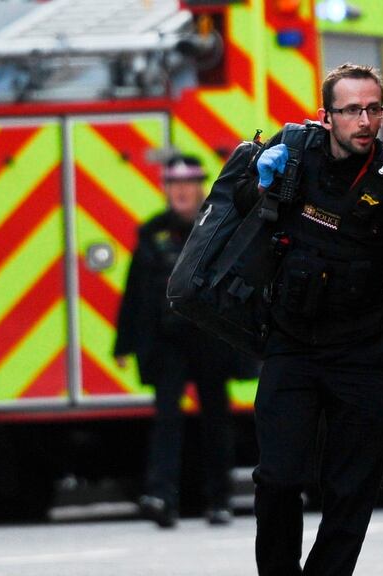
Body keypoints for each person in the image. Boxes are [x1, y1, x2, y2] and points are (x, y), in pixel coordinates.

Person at [235, 63, 383, 576]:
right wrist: (253, 179)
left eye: (374, 109)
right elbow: (232, 214)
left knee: (350, 495)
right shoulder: (294, 155)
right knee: (277, 480)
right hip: (293, 346)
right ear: (327, 117)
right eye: (351, 110)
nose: (365, 120)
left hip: (361, 353)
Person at [114, 155, 238, 528]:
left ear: (201, 188)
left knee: (216, 419)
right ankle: (161, 496)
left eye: (188, 184)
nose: (181, 192)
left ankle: (219, 500)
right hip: (169, 342)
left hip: (210, 340)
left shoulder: (218, 227)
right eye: (174, 185)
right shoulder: (152, 235)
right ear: (165, 190)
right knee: (167, 420)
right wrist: (124, 345)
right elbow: (135, 293)